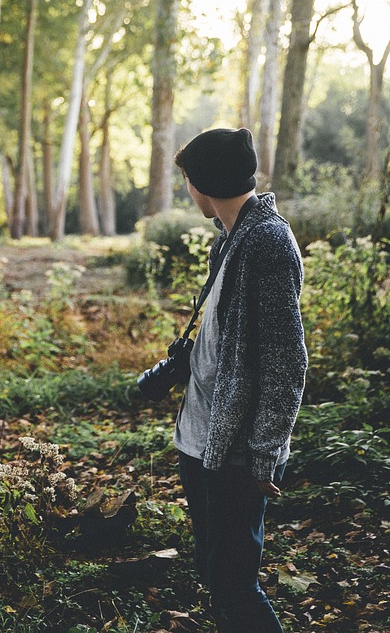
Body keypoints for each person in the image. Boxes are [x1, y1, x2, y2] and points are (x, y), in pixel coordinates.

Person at [170, 127, 307, 632]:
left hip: (238, 451)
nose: (188, 190)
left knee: (234, 585)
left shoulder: (267, 242)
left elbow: (286, 360)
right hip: (202, 440)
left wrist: (266, 448)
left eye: (187, 180)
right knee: (212, 568)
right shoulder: (233, 238)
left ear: (201, 183)